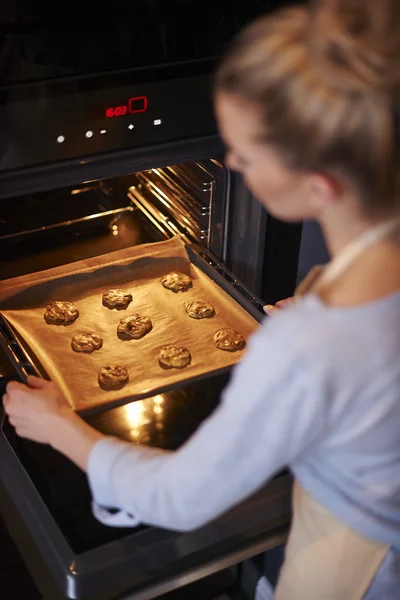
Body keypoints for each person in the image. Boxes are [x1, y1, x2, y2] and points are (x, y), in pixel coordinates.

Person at [3, 0, 400, 597]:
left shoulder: (307, 348)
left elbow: (176, 498)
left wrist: (58, 425)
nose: (231, 162)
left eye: (245, 153)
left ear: (319, 185)